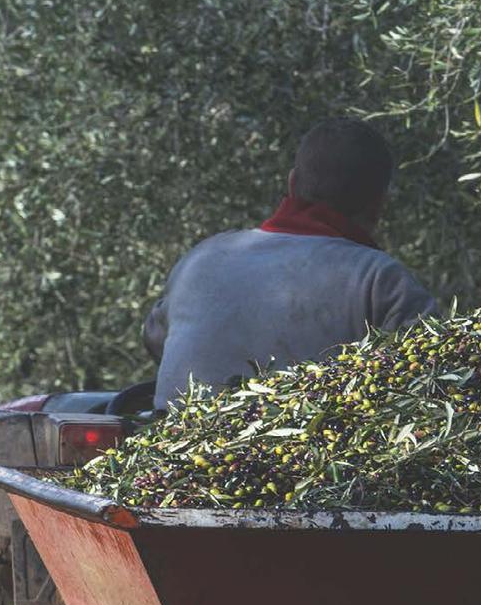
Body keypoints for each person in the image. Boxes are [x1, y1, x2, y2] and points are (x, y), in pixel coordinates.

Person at [144, 118, 436, 407]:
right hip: (306, 452)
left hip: (175, 446)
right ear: (379, 203)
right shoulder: (380, 281)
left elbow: (157, 339)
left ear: (292, 182)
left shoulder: (202, 258)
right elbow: (431, 373)